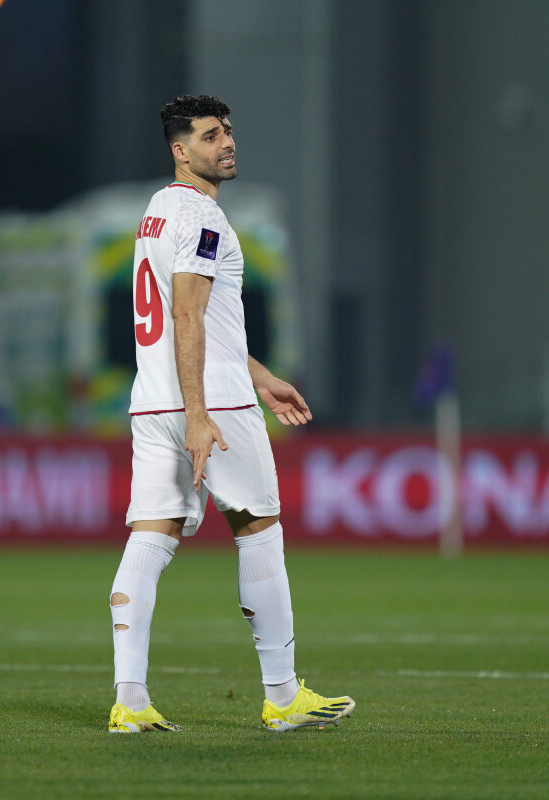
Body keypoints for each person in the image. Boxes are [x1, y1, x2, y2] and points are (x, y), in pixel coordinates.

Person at [107, 95, 354, 734]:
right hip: (209, 402)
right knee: (259, 529)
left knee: (151, 537)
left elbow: (198, 323)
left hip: (153, 398)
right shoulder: (202, 216)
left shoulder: (157, 211)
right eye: (211, 135)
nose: (227, 143)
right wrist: (200, 415)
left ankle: (129, 702)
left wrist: (262, 376)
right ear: (180, 149)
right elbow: (188, 314)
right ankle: (283, 696)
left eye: (228, 132)